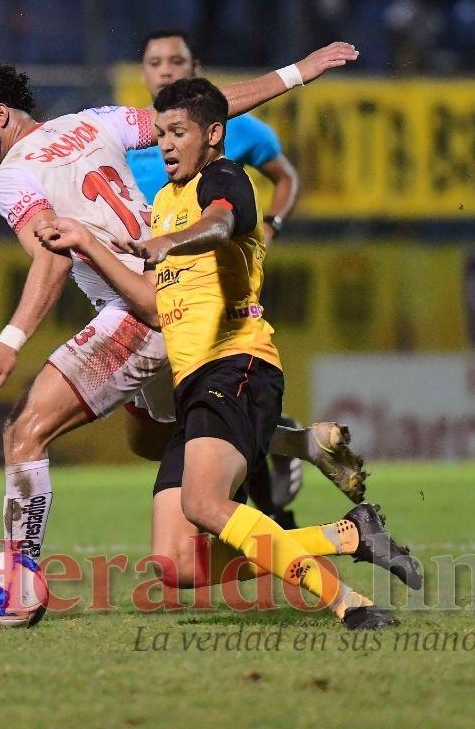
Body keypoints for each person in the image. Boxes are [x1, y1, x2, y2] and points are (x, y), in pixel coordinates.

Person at [0, 42, 359, 565]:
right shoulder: (94, 122)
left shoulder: (9, 179)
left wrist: (10, 340)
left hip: (137, 312)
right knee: (158, 436)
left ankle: (20, 574)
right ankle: (299, 446)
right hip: (181, 296)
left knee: (25, 432)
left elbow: (53, 259)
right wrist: (297, 72)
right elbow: (208, 110)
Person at [35, 78, 419, 629]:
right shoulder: (163, 204)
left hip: (238, 367)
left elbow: (222, 223)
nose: (164, 144)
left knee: (205, 506)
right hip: (194, 385)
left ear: (213, 134)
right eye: (160, 133)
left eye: (178, 132)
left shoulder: (224, 178)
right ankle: (350, 534)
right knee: (175, 564)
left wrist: (168, 243)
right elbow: (150, 304)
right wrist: (89, 245)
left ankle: (345, 603)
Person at [125, 29, 334, 526]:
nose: (167, 70)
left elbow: (284, 180)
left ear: (195, 67)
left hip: (211, 281)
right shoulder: (135, 138)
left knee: (216, 404)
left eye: (177, 60)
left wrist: (270, 230)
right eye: (156, 62)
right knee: (150, 437)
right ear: (142, 73)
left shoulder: (235, 137)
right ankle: (281, 439)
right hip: (152, 286)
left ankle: (274, 516)